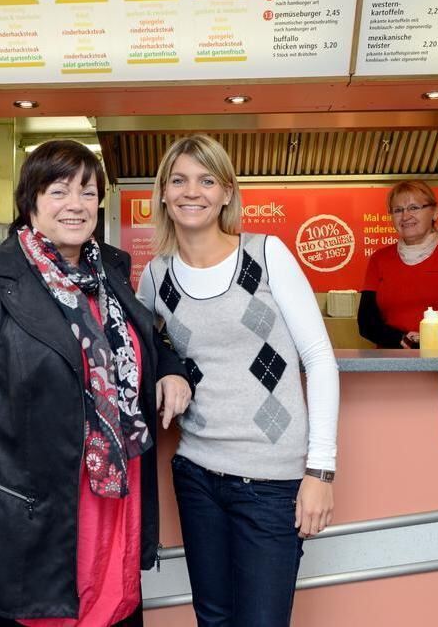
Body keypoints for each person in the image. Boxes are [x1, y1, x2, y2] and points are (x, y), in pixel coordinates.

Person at [0, 140, 193, 627]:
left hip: (113, 525)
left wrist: (169, 366)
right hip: (32, 535)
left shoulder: (110, 271)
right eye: (59, 191)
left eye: (87, 191)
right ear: (31, 200)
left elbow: (145, 334)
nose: (76, 204)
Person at [136, 135, 340, 627]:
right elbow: (141, 349)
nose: (192, 191)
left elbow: (319, 359)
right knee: (213, 619)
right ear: (163, 193)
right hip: (197, 473)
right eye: (179, 180)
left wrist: (320, 473)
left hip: (271, 481)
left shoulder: (266, 255)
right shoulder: (156, 276)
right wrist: (167, 370)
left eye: (207, 180)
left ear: (227, 192)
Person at [358, 180, 438, 349]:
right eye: (398, 210)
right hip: (393, 360)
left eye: (414, 208)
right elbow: (366, 322)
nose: (405, 216)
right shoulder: (379, 259)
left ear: (434, 212)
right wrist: (401, 340)